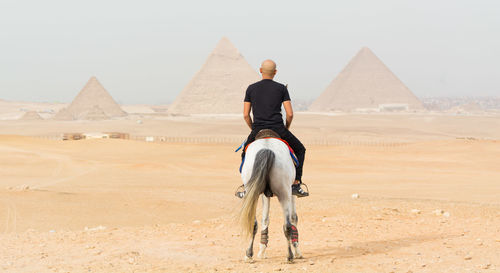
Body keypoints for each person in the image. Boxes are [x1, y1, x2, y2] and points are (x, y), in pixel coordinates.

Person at [239, 59, 308, 198]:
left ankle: (246, 187)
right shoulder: (281, 88)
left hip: (258, 129)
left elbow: (246, 115)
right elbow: (290, 113)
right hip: (278, 128)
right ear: (275, 72)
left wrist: (254, 129)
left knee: (244, 154)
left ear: (260, 70)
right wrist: (286, 128)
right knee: (300, 149)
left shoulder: (251, 88)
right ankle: (296, 183)